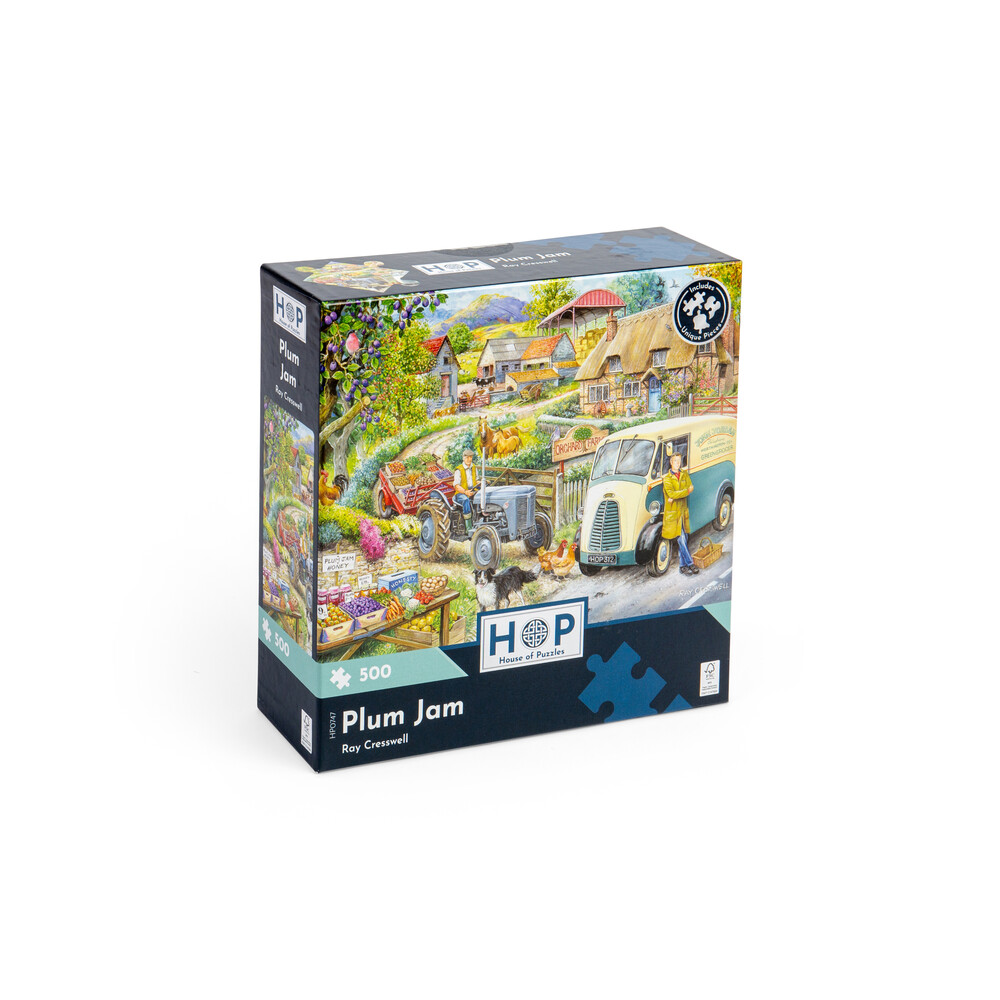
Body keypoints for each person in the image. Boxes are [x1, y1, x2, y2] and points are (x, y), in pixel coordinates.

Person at [661, 449, 699, 576]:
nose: (678, 463)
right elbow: (672, 494)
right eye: (675, 461)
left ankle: (682, 566)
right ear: (671, 462)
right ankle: (690, 563)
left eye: (679, 461)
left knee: (685, 538)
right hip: (674, 514)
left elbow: (691, 487)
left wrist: (677, 495)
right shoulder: (667, 479)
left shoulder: (684, 474)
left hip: (683, 511)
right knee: (681, 539)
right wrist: (684, 492)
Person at [453, 449, 478, 533]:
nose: (469, 459)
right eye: (467, 457)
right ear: (463, 458)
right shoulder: (459, 470)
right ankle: (468, 528)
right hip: (461, 493)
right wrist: (465, 492)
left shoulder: (474, 467)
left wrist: (481, 482)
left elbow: (476, 481)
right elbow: (456, 486)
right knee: (465, 500)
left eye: (470, 457)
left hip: (472, 490)